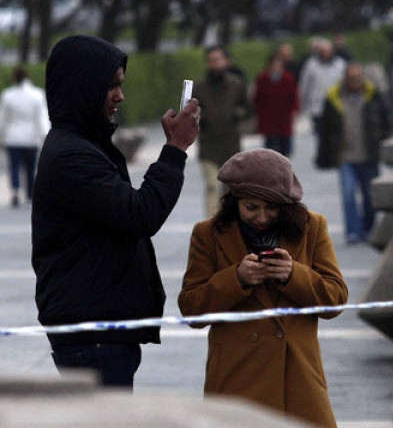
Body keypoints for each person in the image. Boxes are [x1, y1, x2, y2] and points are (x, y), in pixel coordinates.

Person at [32, 35, 201, 388]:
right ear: (82, 88)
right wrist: (175, 149)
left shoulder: (84, 145)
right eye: (110, 86)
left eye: (120, 85)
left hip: (101, 330)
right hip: (92, 334)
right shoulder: (71, 156)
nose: (119, 96)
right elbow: (140, 215)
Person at [179, 149, 347, 427]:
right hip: (236, 378)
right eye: (251, 207)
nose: (262, 216)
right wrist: (237, 278)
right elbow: (192, 309)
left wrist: (293, 275)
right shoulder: (207, 234)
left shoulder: (312, 227)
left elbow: (336, 299)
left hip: (297, 380)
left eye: (272, 207)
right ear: (234, 203)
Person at [319, 64, 391, 244]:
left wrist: (382, 142)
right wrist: (324, 156)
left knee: (369, 196)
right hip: (345, 157)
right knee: (348, 195)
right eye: (350, 79)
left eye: (357, 78)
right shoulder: (334, 98)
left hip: (369, 155)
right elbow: (326, 130)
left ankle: (367, 228)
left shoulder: (374, 96)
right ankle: (352, 231)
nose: (354, 82)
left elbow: (386, 121)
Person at [193, 45, 250, 217]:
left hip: (230, 143)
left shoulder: (236, 84)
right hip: (208, 143)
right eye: (211, 60)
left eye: (218, 60)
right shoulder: (199, 86)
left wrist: (237, 114)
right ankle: (211, 223)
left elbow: (247, 108)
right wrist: (200, 117)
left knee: (229, 188)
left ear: (226, 61)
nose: (215, 64)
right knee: (211, 186)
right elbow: (189, 109)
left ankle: (226, 221)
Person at [0, 66, 49, 208]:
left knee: (14, 166)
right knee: (30, 166)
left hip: (13, 137)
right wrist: (44, 134)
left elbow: (3, 118)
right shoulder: (37, 95)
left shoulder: (8, 95)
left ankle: (15, 191)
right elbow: (41, 118)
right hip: (31, 137)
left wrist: (1, 135)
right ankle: (29, 194)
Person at [299, 39, 347, 166]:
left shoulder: (340, 64)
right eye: (323, 51)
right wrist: (303, 104)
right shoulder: (311, 65)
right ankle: (323, 157)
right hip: (317, 105)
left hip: (336, 105)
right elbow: (305, 85)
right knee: (321, 133)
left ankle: (335, 157)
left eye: (328, 51)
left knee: (335, 132)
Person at [253, 53, 299, 157]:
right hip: (268, 117)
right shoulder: (262, 79)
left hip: (284, 117)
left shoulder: (288, 78)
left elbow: (294, 96)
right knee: (270, 146)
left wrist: (295, 111)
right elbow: (257, 98)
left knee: (285, 147)